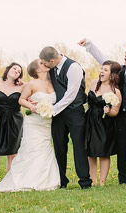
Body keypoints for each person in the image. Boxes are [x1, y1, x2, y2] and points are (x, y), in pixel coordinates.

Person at [80, 38, 126, 184]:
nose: (125, 54)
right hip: (120, 116)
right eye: (125, 52)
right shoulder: (120, 71)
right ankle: (123, 178)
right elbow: (104, 60)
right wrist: (89, 45)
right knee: (122, 148)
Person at [0, 59, 60, 192]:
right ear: (37, 69)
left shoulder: (53, 83)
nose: (45, 64)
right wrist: (32, 107)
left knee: (45, 148)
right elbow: (21, 99)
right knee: (31, 149)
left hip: (47, 122)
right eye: (41, 63)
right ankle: (23, 180)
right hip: (34, 122)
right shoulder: (32, 84)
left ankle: (44, 180)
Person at [38, 46, 92, 189]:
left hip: (75, 112)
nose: (44, 66)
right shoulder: (51, 67)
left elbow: (71, 95)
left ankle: (85, 181)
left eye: (45, 63)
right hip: (58, 114)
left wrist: (53, 110)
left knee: (79, 145)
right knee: (59, 146)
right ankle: (61, 181)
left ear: (53, 60)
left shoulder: (74, 67)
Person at [0, 62, 25, 190]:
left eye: (19, 71)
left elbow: (34, 87)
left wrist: (23, 83)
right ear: (8, 69)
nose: (16, 71)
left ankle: (10, 183)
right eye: (14, 68)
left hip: (15, 122)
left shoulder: (22, 87)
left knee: (12, 154)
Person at [83, 60, 122, 186]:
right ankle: (93, 180)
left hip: (105, 123)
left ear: (112, 74)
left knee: (104, 152)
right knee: (91, 151)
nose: (101, 72)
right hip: (90, 120)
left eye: (105, 70)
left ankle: (102, 182)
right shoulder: (94, 83)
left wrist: (109, 111)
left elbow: (116, 111)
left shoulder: (116, 91)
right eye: (101, 69)